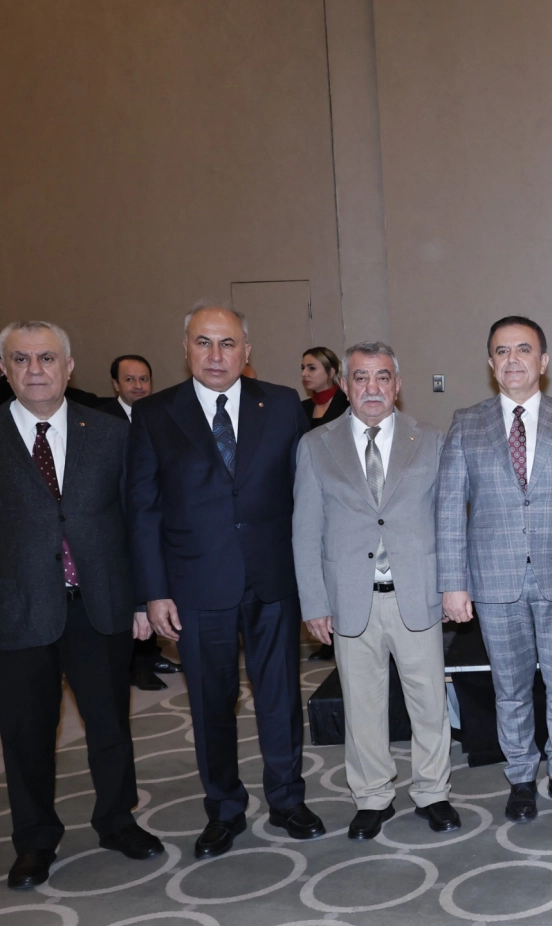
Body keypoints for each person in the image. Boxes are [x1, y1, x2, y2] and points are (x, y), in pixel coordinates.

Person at [127, 303, 324, 858]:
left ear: (247, 350)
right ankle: (224, 809)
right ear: (186, 348)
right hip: (195, 585)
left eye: (228, 343)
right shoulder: (155, 414)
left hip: (273, 580)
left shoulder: (281, 404)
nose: (216, 355)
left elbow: (307, 496)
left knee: (280, 697)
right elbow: (142, 509)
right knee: (211, 703)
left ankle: (287, 799)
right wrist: (153, 591)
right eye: (204, 342)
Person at [0, 321, 164, 889]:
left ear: (69, 367)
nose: (35, 369)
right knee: (26, 732)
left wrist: (142, 599)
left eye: (47, 358)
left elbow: (136, 522)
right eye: (21, 359)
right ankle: (34, 840)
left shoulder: (110, 432)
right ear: (4, 369)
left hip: (100, 603)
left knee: (109, 724)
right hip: (18, 610)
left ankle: (118, 821)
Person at [438, 316, 552, 823]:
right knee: (510, 687)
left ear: (543, 360)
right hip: (494, 580)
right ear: (490, 363)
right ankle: (520, 776)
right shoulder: (466, 422)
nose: (512, 359)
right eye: (502, 351)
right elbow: (448, 509)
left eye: (523, 349)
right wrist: (453, 583)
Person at [293, 342, 460, 840]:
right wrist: (314, 602)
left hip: (418, 593)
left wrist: (453, 585)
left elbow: (449, 521)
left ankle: (433, 791)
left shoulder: (430, 439)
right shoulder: (315, 445)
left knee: (429, 702)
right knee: (362, 706)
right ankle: (372, 796)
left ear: (397, 385)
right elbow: (305, 530)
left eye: (382, 376)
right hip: (350, 598)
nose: (372, 387)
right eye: (361, 377)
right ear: (345, 385)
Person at [100, 354, 184, 691]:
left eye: (144, 379)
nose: (138, 386)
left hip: (157, 519)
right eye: (130, 379)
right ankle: (136, 664)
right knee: (134, 596)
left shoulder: (162, 414)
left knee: (156, 586)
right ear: (115, 384)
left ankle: (152, 654)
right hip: (119, 523)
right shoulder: (102, 421)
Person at [300, 346, 349, 427]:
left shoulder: (348, 403)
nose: (304, 373)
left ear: (331, 372)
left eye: (312, 368)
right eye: (303, 368)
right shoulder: (302, 407)